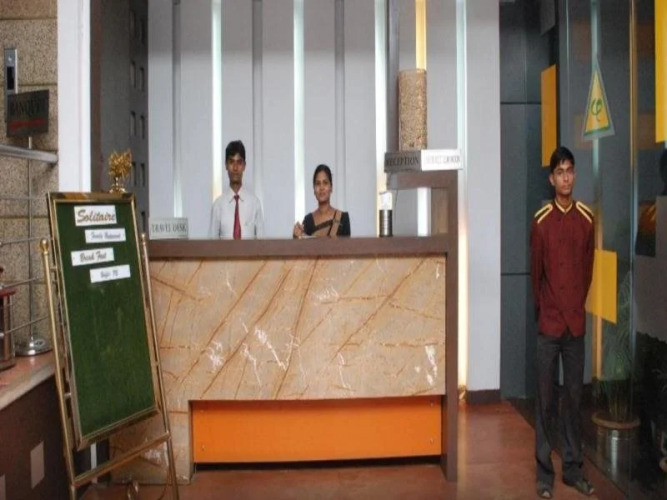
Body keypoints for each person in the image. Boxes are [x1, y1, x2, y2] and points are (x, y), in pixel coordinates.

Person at [530, 146, 595, 498]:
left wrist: (574, 308)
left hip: (575, 325)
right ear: (551, 179)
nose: (566, 177)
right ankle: (544, 473)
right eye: (560, 172)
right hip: (549, 325)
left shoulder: (586, 219)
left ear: (574, 175)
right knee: (545, 401)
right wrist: (545, 311)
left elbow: (587, 272)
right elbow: (535, 276)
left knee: (573, 399)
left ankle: (572, 468)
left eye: (570, 170)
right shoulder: (541, 222)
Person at [209, 140, 263, 239]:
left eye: (239, 162)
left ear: (244, 166)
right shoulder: (218, 206)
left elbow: (262, 244)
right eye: (231, 162)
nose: (235, 168)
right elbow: (211, 245)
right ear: (226, 165)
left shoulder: (255, 204)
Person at [292, 164, 350, 238]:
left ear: (331, 187)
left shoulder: (343, 218)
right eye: (318, 183)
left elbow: (347, 245)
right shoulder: (308, 220)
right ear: (314, 189)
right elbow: (304, 245)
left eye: (325, 183)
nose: (321, 187)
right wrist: (296, 237)